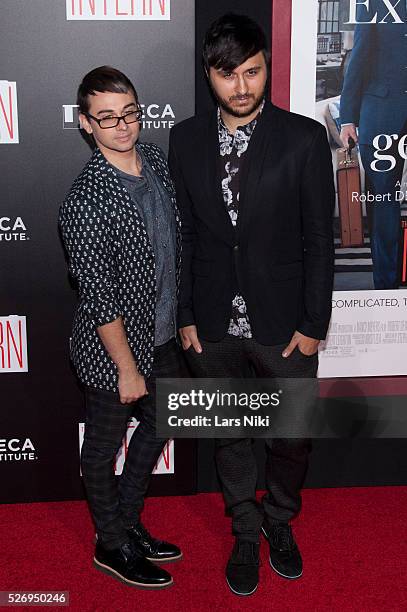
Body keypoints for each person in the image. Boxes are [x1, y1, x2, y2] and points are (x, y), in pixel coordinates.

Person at [169, 14, 335, 596]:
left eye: (252, 72)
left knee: (290, 437)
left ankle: (279, 520)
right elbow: (186, 233)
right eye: (227, 74)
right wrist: (185, 313)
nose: (241, 87)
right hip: (212, 327)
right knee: (232, 434)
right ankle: (244, 528)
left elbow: (320, 238)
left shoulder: (304, 138)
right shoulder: (185, 138)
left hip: (284, 326)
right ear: (208, 75)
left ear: (266, 68)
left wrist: (315, 323)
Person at [59, 66, 182, 589]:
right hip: (113, 352)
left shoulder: (153, 158)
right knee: (103, 448)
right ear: (86, 124)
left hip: (165, 336)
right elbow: (99, 295)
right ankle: (110, 543)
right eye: (107, 118)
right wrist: (125, 368)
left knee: (162, 424)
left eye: (129, 112)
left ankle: (129, 521)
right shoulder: (84, 201)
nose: (123, 125)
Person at [340, 0, 407, 289]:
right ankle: (387, 289)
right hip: (382, 114)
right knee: (385, 204)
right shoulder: (376, 5)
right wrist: (347, 118)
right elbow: (359, 58)